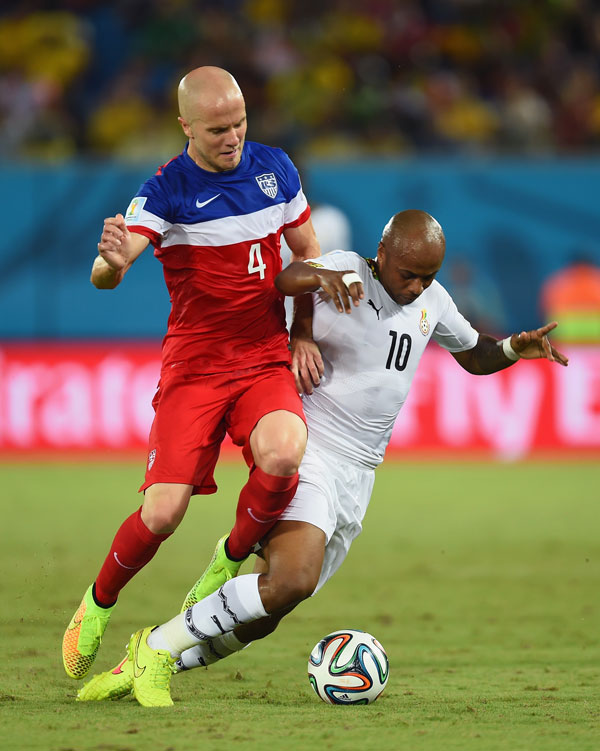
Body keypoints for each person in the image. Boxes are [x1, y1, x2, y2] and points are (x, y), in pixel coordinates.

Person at [75, 210, 568, 707]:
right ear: (383, 253)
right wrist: (304, 328)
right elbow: (288, 279)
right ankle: (154, 647)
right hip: (312, 447)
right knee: (292, 578)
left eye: (428, 276)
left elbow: (473, 354)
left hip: (360, 475)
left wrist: (511, 347)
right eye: (408, 274)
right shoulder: (344, 270)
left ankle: (150, 663)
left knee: (270, 610)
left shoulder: (433, 301)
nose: (418, 287)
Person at [62, 66, 322, 681]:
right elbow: (113, 269)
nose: (232, 138)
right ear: (185, 127)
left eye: (239, 124)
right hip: (197, 366)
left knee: (285, 453)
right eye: (216, 130)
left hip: (262, 353)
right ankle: (96, 606)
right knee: (162, 514)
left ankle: (226, 563)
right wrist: (106, 260)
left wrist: (302, 332)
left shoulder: (275, 168)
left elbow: (310, 253)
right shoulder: (164, 192)